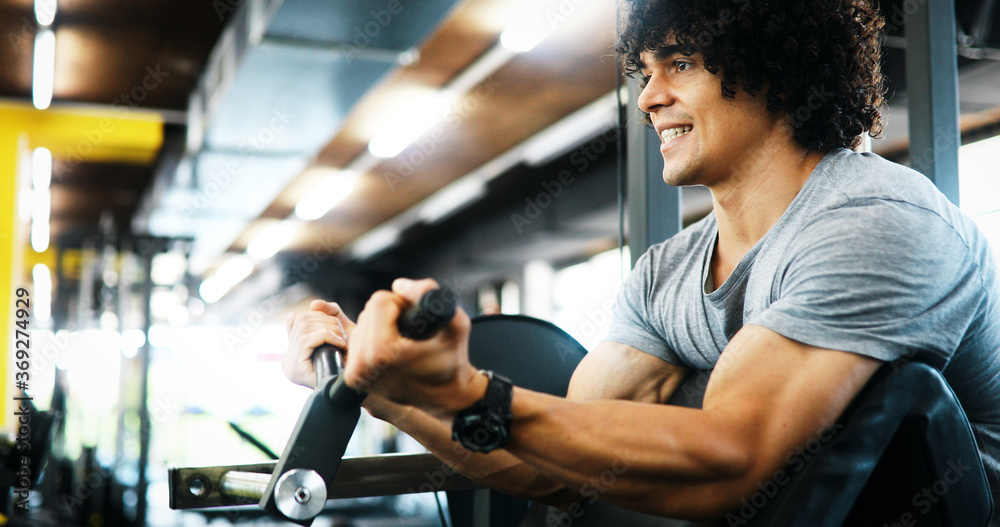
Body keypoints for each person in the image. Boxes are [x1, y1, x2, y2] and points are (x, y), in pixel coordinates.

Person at [284, 0, 1000, 524]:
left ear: (777, 72)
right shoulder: (665, 275)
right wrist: (377, 384)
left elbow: (732, 458)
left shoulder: (880, 222)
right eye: (647, 71)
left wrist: (476, 394)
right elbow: (548, 464)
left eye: (680, 65)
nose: (649, 97)